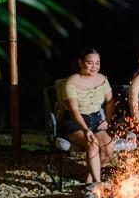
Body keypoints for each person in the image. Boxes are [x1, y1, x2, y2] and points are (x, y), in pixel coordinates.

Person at [59, 47, 114, 191]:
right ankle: (97, 184)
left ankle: (90, 177)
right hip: (75, 122)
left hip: (96, 120)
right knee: (92, 143)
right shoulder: (71, 81)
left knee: (108, 147)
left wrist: (107, 120)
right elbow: (73, 110)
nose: (94, 66)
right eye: (90, 63)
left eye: (97, 63)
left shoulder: (102, 79)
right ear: (80, 62)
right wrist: (85, 129)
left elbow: (110, 101)